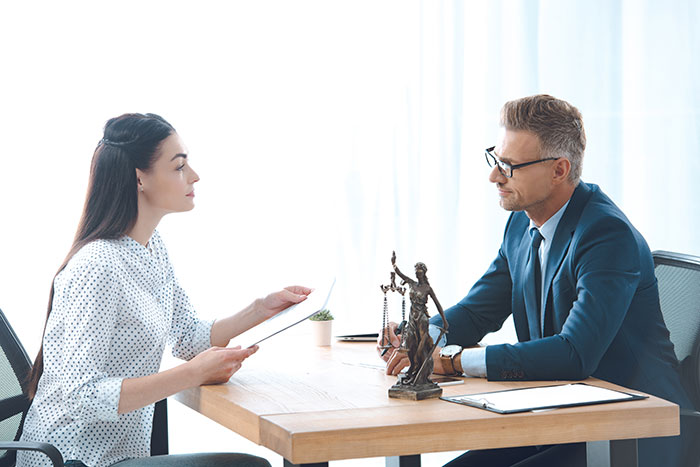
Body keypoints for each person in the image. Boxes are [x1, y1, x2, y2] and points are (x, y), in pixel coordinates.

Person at [379, 95, 692, 467]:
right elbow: (478, 311)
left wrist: (452, 360)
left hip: (632, 432)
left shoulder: (607, 235)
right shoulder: (521, 222)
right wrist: (423, 335)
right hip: (560, 416)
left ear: (559, 170)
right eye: (496, 159)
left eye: (510, 166)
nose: (494, 176)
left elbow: (574, 354)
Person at [19, 113, 311, 467]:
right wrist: (192, 374)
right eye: (178, 167)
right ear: (139, 178)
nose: (194, 176)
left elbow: (187, 337)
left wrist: (259, 310)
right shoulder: (97, 267)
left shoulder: (151, 247)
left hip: (121, 454)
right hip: (78, 459)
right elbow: (82, 396)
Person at [390, 252, 448, 387]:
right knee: (410, 343)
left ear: (424, 273)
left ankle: (419, 371)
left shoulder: (427, 288)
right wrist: (394, 264)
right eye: (416, 272)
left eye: (420, 272)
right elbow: (400, 274)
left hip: (422, 318)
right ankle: (412, 369)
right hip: (412, 317)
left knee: (421, 346)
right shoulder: (411, 284)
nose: (417, 274)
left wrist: (445, 321)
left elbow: (438, 304)